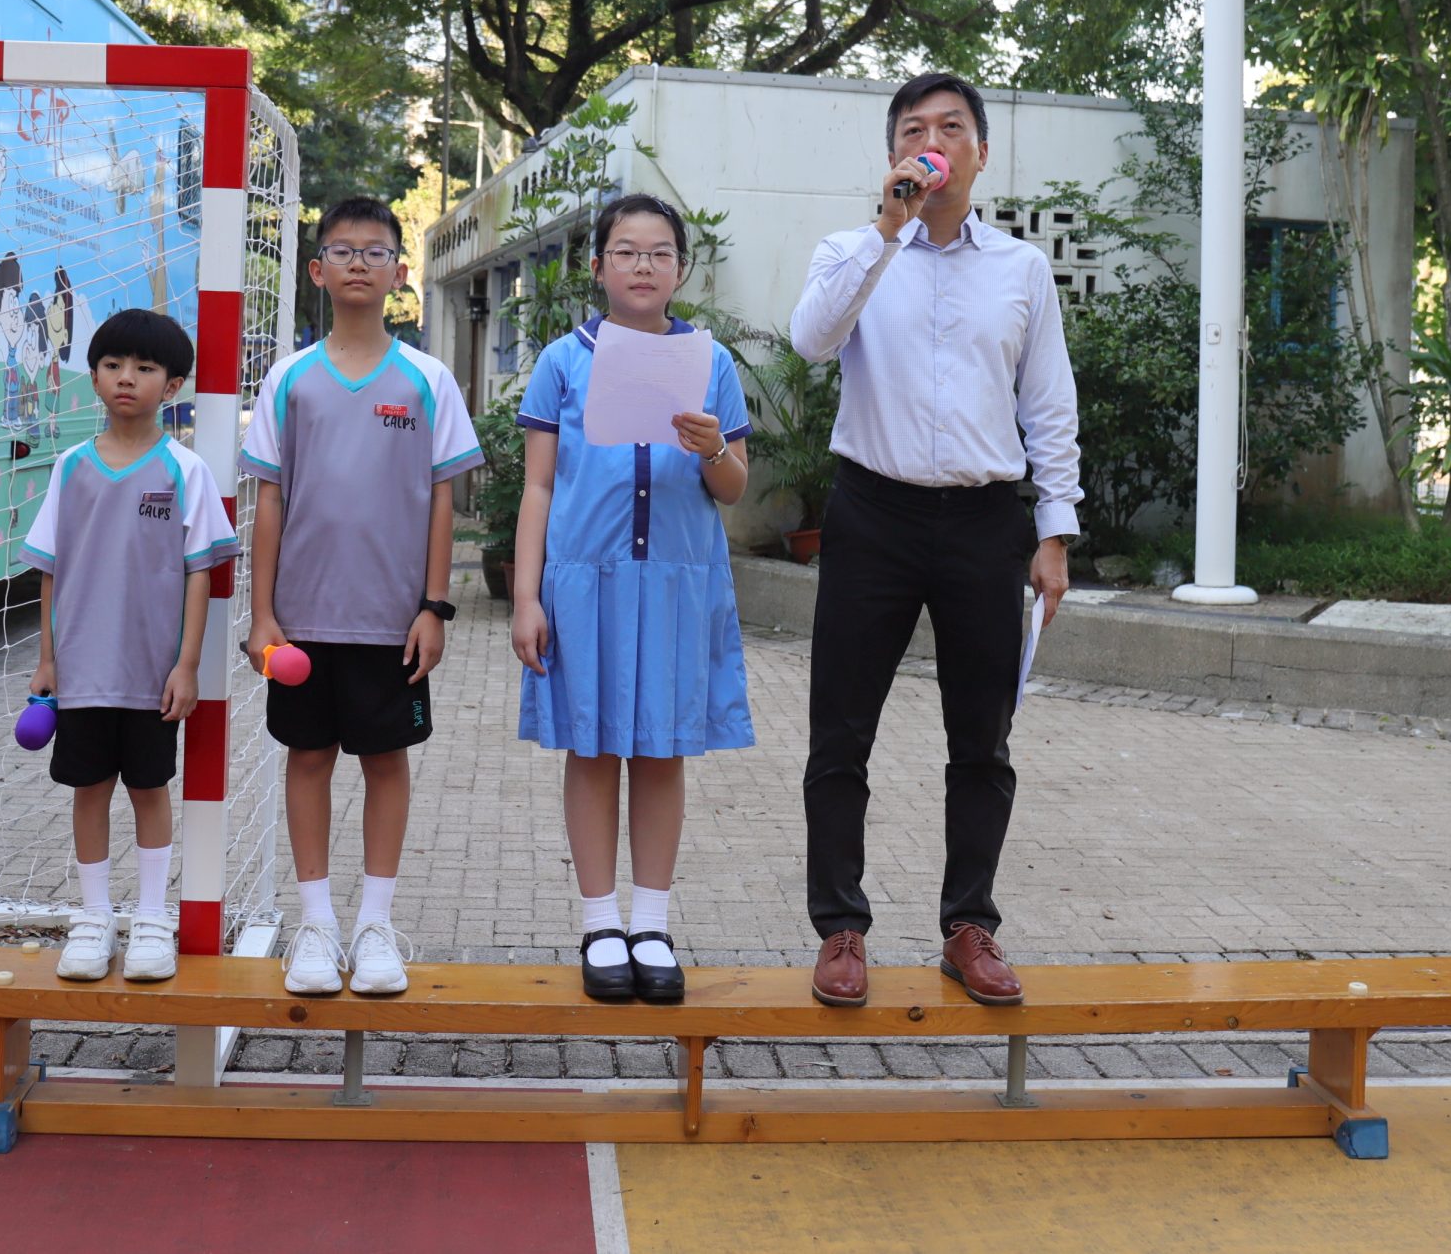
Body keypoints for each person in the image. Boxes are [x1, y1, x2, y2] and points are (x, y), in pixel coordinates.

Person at [789, 73, 1082, 1009]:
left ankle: (969, 925)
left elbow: (1049, 403)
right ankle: (841, 927)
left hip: (985, 521)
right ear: (893, 156)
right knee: (841, 731)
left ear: (980, 153)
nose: (933, 141)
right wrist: (888, 230)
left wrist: (1055, 530)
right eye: (914, 129)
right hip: (872, 514)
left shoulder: (1021, 269)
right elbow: (810, 340)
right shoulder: (853, 249)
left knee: (983, 737)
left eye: (952, 127)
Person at [511, 194, 756, 1002]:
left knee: (660, 749)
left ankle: (651, 923)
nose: (642, 265)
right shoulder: (563, 360)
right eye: (626, 251)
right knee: (591, 747)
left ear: (681, 268)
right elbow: (539, 486)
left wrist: (712, 446)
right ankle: (599, 923)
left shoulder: (712, 363)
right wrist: (526, 596)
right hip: (586, 583)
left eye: (659, 252)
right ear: (598, 266)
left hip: (678, 582)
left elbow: (733, 487)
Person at [243, 198, 481, 997]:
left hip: (392, 622)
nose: (357, 262)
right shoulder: (289, 379)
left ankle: (375, 924)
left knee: (385, 760)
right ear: (317, 270)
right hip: (301, 624)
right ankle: (316, 923)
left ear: (400, 273)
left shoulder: (428, 380)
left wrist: (435, 606)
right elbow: (269, 499)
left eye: (375, 251)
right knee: (308, 757)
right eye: (342, 250)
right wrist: (263, 615)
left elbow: (443, 499)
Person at [26, 307, 238, 983]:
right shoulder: (70, 467)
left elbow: (200, 572)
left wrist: (187, 665)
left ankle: (151, 919)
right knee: (89, 789)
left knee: (150, 788)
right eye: (113, 365)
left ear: (171, 386)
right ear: (93, 377)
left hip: (152, 674)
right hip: (82, 671)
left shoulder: (185, 470)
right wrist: (48, 659)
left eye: (144, 368)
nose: (126, 378)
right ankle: (94, 918)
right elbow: (51, 570)